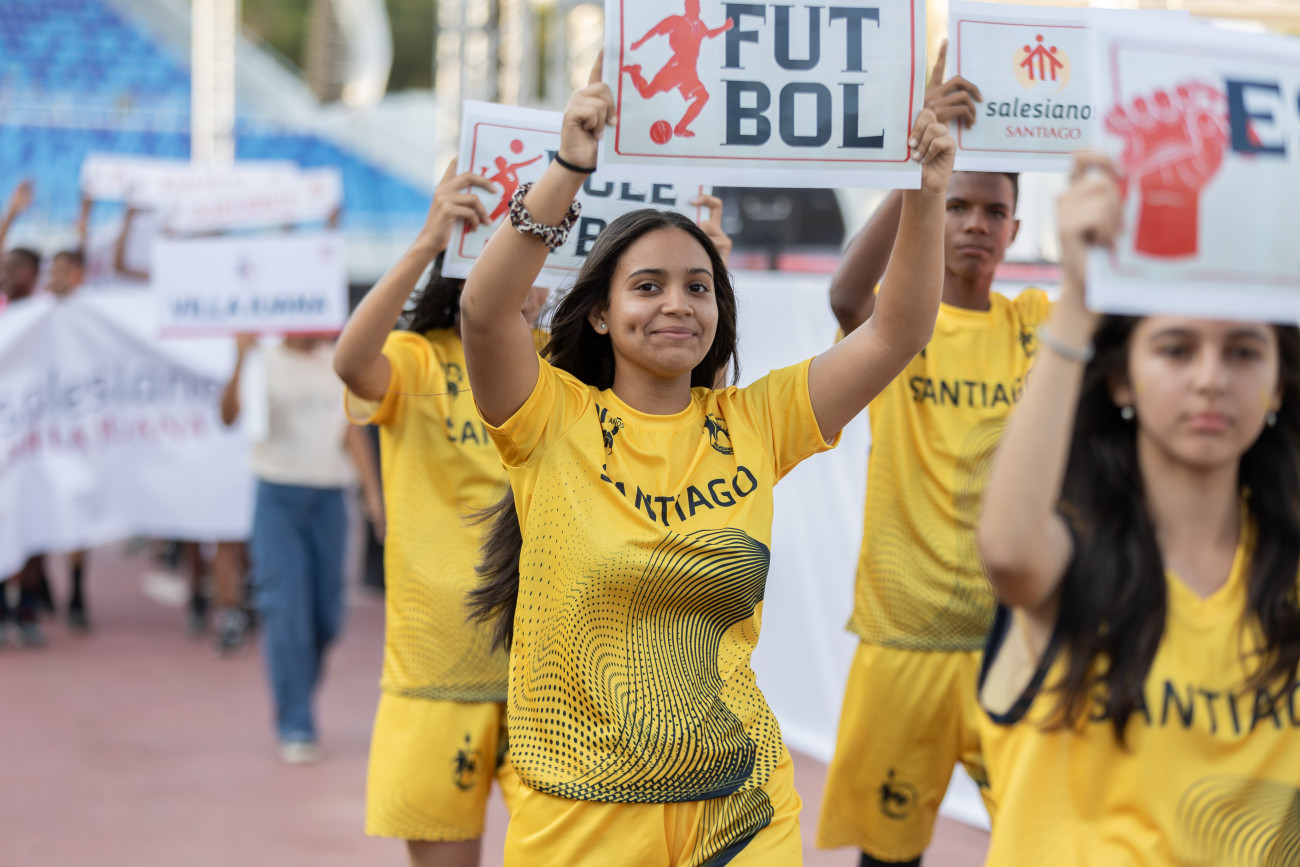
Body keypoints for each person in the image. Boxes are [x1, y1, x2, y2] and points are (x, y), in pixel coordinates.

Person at [459, 59, 954, 865]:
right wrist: (570, 165)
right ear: (601, 313)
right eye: (648, 286)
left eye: (698, 287)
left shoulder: (757, 421)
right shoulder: (549, 418)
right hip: (582, 816)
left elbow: (895, 332)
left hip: (740, 808)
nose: (676, 304)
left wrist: (927, 192)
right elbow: (484, 314)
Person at [334, 157, 733, 865]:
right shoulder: (419, 359)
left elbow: (693, 412)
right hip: (437, 669)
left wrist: (706, 272)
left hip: (561, 686)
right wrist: (427, 242)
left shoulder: (570, 368)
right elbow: (350, 362)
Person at [975, 152, 1300, 863]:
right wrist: (1078, 301)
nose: (1210, 379)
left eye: (1244, 353)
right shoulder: (1073, 553)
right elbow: (1006, 548)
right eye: (1176, 350)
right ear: (1122, 379)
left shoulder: (1287, 566)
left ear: (1278, 385)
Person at [817, 43, 1049, 867]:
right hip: (904, 638)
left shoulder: (1034, 322)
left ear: (1015, 227)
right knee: (891, 856)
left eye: (993, 211)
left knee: (1044, 844)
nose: (976, 224)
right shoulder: (899, 326)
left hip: (1012, 639)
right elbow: (846, 294)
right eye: (959, 206)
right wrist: (920, 168)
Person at [221, 332, 383, 762]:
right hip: (278, 496)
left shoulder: (337, 360)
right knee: (285, 608)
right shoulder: (261, 358)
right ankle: (296, 720)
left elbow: (350, 428)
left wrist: (372, 493)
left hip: (328, 499)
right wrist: (239, 362)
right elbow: (228, 415)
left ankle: (294, 690)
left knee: (327, 616)